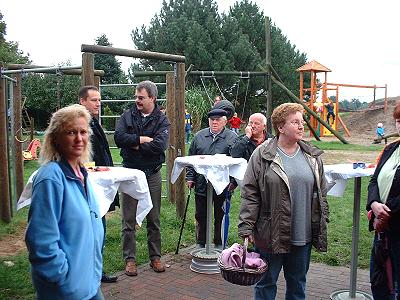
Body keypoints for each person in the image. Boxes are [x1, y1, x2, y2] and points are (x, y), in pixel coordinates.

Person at [238, 103, 329, 300]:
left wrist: (322, 220)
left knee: (297, 285)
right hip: (270, 233)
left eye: (302, 122)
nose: (301, 126)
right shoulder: (262, 155)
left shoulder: (312, 156)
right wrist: (247, 227)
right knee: (265, 284)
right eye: (295, 122)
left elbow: (321, 193)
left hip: (302, 235)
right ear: (281, 127)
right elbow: (250, 193)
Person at [25, 104, 104, 299]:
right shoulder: (51, 178)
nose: (79, 138)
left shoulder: (82, 173)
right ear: (56, 138)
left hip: (88, 283)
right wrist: (60, 277)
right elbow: (40, 241)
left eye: (83, 132)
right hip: (64, 290)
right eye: (71, 132)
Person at [114, 80, 170, 276]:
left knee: (153, 218)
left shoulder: (162, 120)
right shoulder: (127, 116)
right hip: (130, 174)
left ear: (152, 98)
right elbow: (119, 138)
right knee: (128, 219)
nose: (137, 100)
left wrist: (134, 145)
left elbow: (159, 146)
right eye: (136, 97)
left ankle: (155, 257)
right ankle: (130, 259)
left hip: (152, 174)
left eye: (141, 97)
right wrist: (142, 139)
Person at [79, 85, 118, 283]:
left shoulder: (93, 122)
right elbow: (81, 157)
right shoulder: (80, 125)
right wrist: (94, 169)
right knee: (91, 231)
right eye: (94, 100)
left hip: (97, 185)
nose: (98, 104)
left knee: (99, 231)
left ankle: (96, 271)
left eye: (99, 100)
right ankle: (88, 274)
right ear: (82, 102)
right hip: (86, 187)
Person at [186, 108, 237, 248]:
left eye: (218, 120)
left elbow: (236, 162)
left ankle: (220, 243)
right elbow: (191, 159)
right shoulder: (199, 136)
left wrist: (233, 182)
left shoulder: (232, 137)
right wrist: (190, 177)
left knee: (220, 215)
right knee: (201, 215)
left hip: (223, 185)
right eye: (212, 120)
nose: (214, 122)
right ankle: (201, 242)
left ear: (225, 122)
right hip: (202, 184)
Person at [366, 102, 400, 299]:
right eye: (398, 121)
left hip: (396, 227)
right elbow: (373, 180)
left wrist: (385, 212)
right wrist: (374, 204)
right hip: (383, 232)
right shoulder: (390, 149)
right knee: (379, 282)